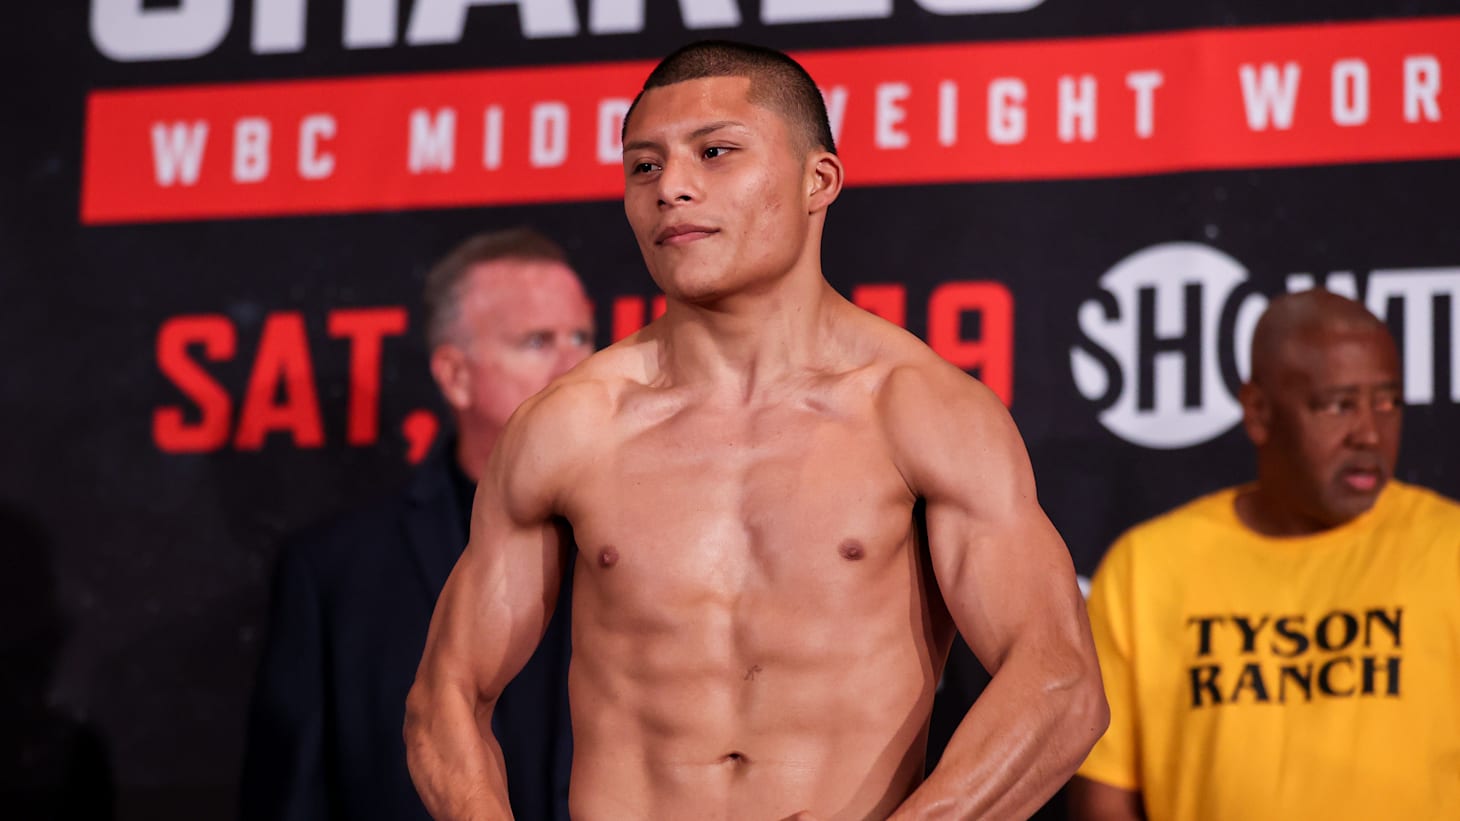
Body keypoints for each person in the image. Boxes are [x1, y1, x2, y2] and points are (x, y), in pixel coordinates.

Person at [404, 41, 1107, 820]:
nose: (672, 186)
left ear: (819, 180)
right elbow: (445, 695)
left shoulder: (919, 411)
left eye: (715, 152)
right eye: (644, 166)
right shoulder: (571, 426)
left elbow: (1059, 683)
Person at [240, 228, 594, 821]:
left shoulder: (649, 542)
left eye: (581, 336)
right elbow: (292, 799)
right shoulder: (338, 571)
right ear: (455, 375)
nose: (575, 365)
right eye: (537, 341)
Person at [1069, 289, 1460, 821]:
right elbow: (1105, 800)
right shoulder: (1148, 569)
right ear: (1258, 412)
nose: (1370, 433)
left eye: (1388, 402)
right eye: (1338, 405)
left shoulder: (1448, 549)